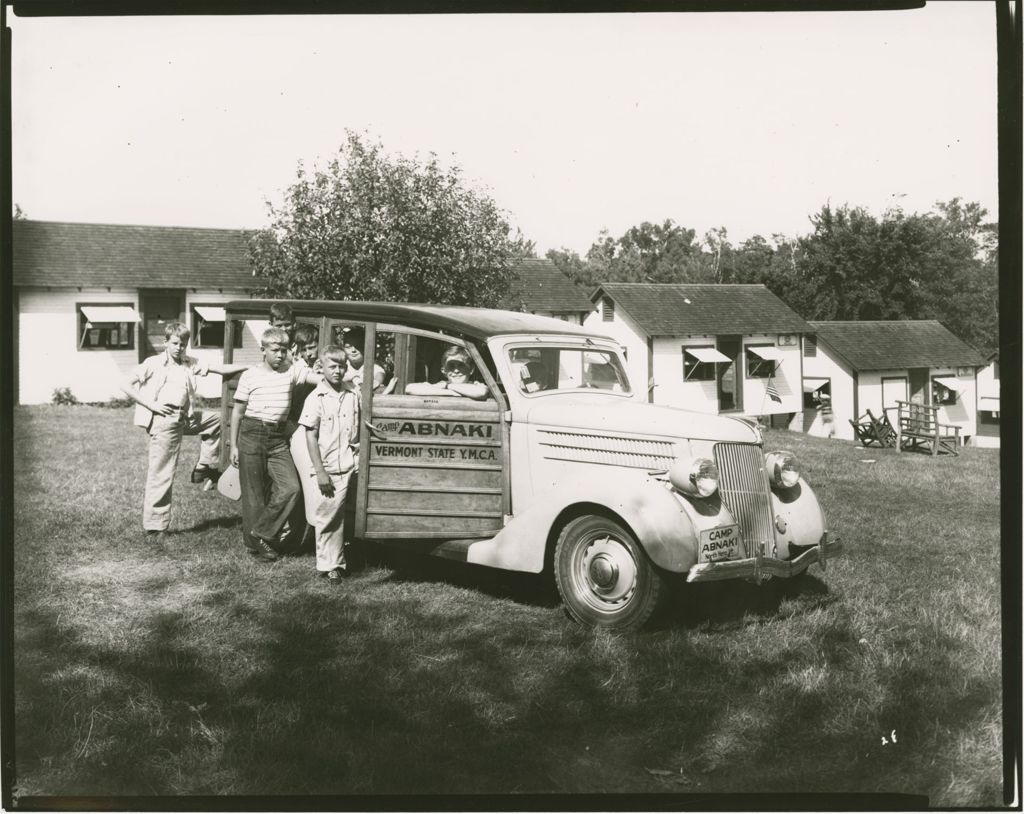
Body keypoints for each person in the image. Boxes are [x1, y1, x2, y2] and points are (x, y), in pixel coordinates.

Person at [122, 321, 247, 543]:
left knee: (219, 419)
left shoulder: (189, 363)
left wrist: (250, 368)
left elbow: (220, 369)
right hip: (164, 420)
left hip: (185, 418)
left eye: (184, 344)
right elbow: (126, 385)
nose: (180, 347)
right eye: (175, 343)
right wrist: (152, 405)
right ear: (166, 343)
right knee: (162, 472)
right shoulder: (153, 363)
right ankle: (155, 526)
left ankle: (204, 466)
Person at [229, 326, 321, 562]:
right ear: (263, 350)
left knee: (291, 488)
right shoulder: (250, 375)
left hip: (277, 438)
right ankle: (256, 547)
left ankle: (261, 533)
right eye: (275, 350)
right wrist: (234, 446)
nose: (280, 355)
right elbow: (238, 412)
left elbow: (317, 378)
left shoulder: (291, 372)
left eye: (284, 350)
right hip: (252, 433)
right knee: (254, 494)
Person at [298, 345, 360, 582]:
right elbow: (310, 436)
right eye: (332, 366)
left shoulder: (352, 392)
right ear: (320, 368)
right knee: (328, 515)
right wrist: (320, 472)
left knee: (346, 513)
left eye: (341, 366)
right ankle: (329, 565)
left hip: (351, 462)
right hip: (329, 467)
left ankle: (340, 555)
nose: (337, 371)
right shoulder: (315, 398)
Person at [405, 346, 489, 400]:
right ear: (444, 371)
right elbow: (410, 388)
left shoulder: (476, 385)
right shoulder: (442, 385)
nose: (456, 371)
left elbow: (481, 392)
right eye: (451, 366)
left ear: (471, 370)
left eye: (461, 365)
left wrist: (448, 386)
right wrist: (451, 392)